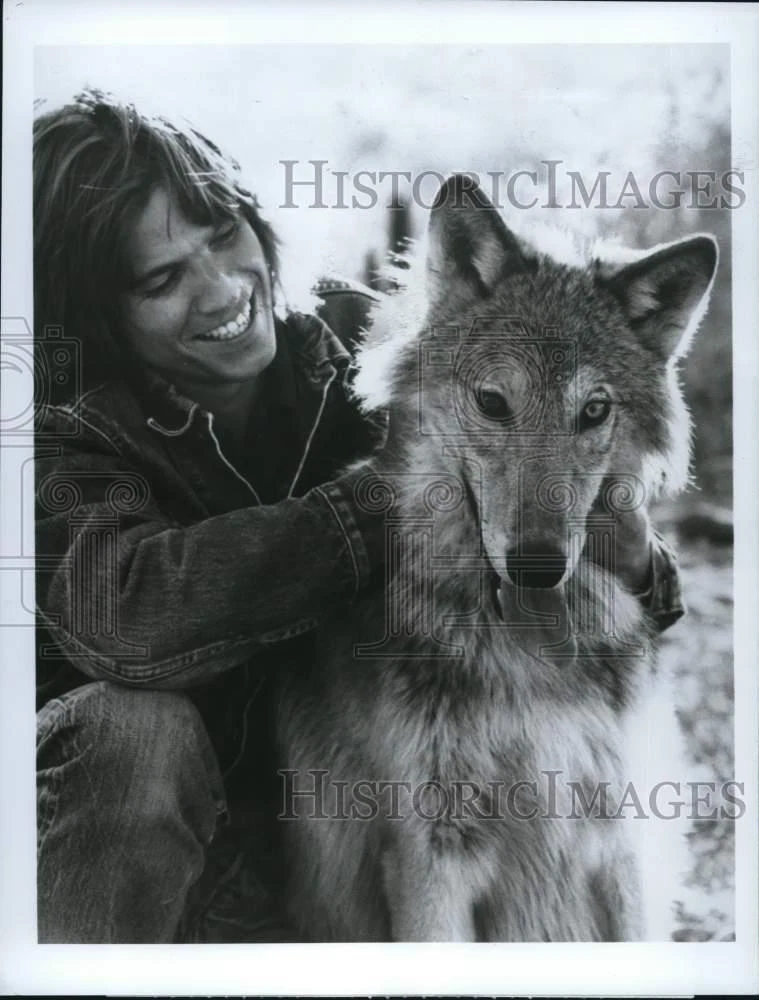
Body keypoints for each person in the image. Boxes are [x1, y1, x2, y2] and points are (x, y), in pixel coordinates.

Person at [33, 89, 684, 944]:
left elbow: (558, 486)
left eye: (224, 231)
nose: (225, 287)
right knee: (135, 735)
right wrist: (394, 491)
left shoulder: (349, 347)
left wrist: (638, 565)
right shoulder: (57, 440)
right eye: (161, 278)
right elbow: (137, 617)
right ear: (96, 312)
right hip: (141, 865)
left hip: (317, 856)